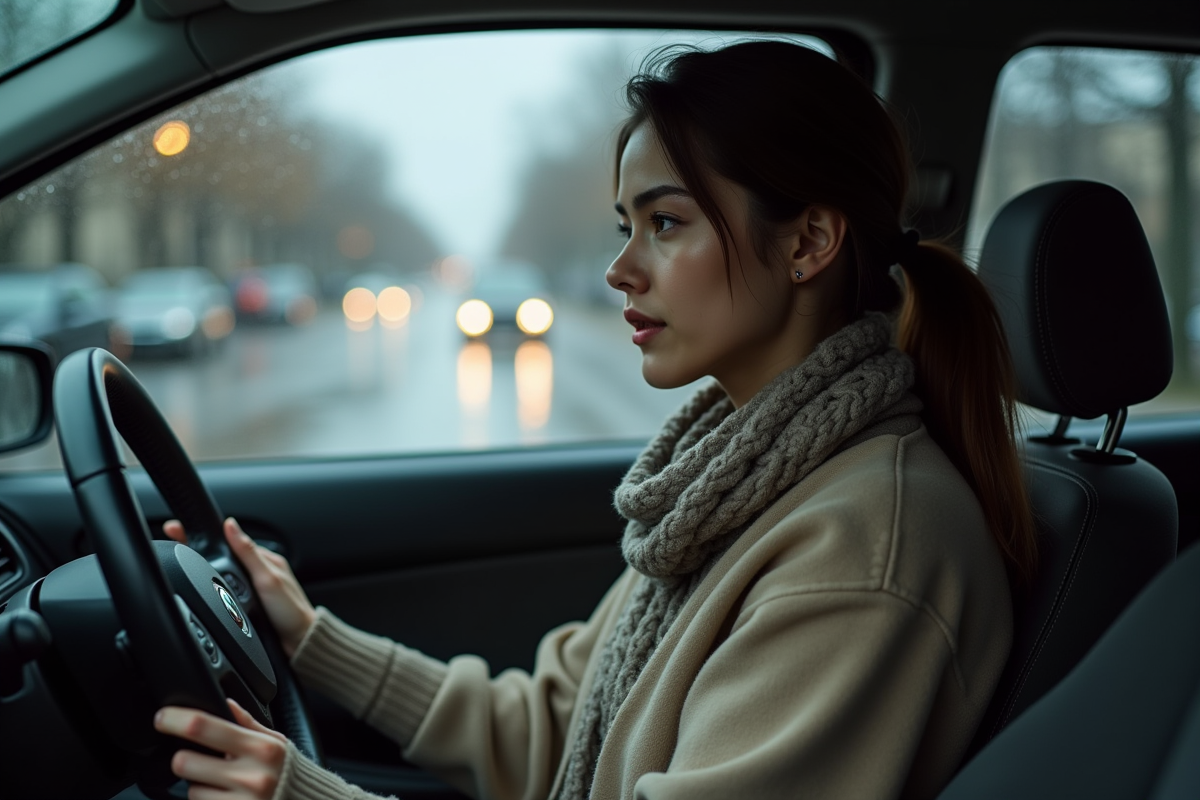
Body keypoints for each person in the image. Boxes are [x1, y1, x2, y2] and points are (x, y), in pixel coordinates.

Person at [153, 40, 1035, 800]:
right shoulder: (733, 483)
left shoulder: (862, 550)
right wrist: (308, 637)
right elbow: (553, 734)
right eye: (627, 224)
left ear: (808, 243)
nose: (619, 269)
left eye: (665, 222)